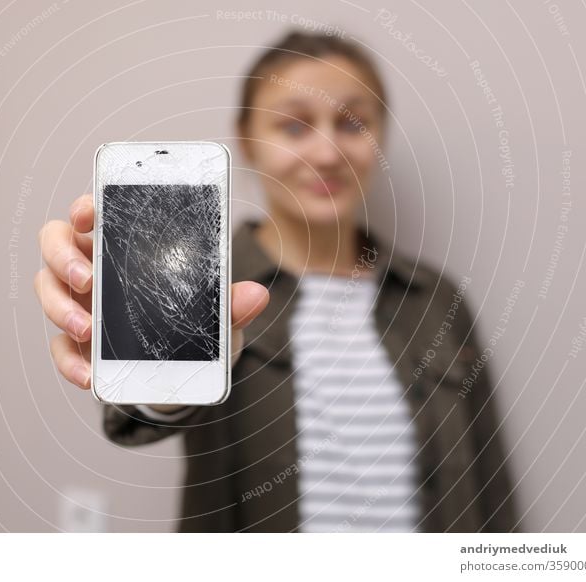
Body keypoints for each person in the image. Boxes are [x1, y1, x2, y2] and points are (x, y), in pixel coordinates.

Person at [35, 30, 519, 533]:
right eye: (293, 127)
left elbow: (492, 489)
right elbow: (144, 415)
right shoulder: (206, 288)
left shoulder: (438, 301)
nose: (327, 152)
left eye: (353, 123)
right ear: (248, 141)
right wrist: (139, 335)